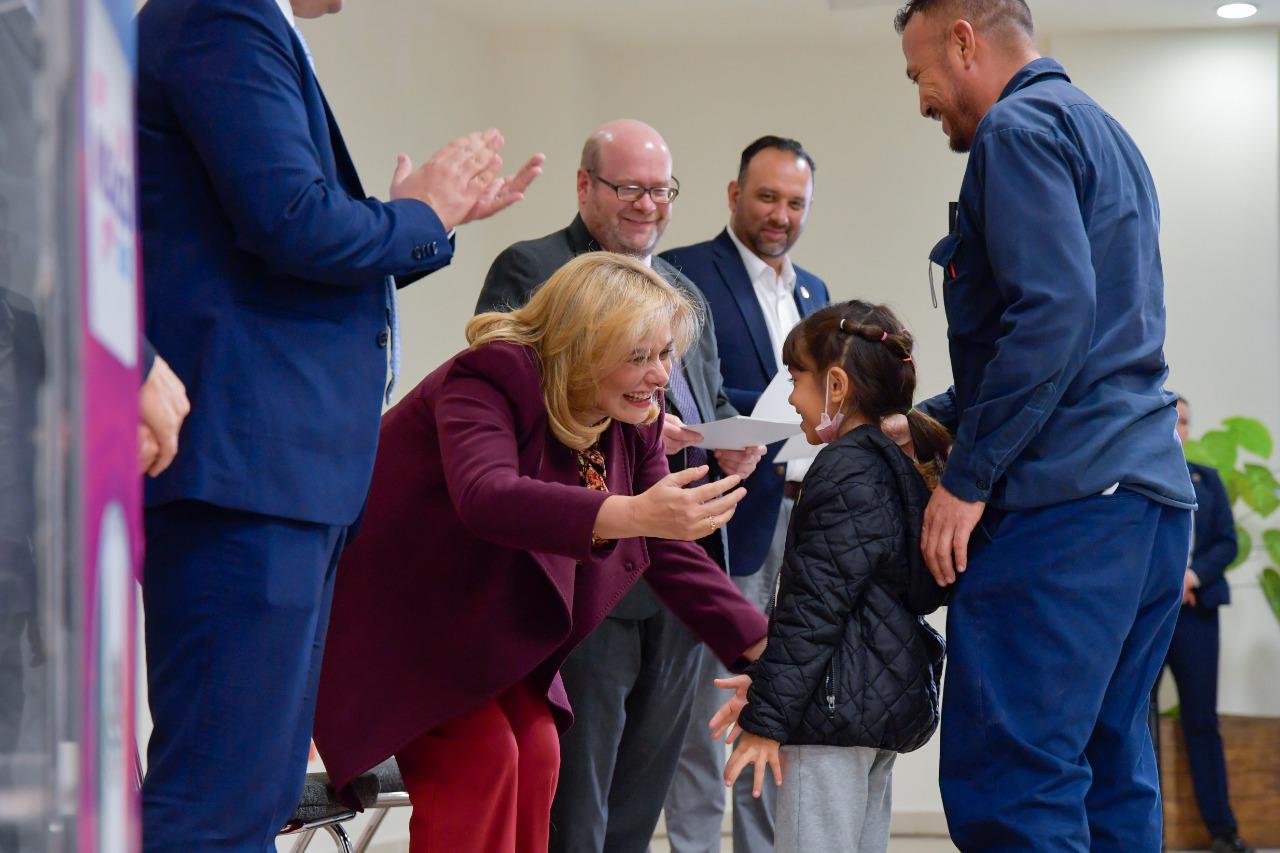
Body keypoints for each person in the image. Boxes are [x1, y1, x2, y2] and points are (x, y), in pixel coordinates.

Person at [135, 0, 544, 848]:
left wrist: (421, 221)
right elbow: (292, 223)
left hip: (279, 476)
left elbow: (287, 247)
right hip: (247, 471)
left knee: (257, 790)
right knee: (221, 794)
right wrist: (422, 216)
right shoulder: (222, 14)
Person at [312, 252, 770, 853]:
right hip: (396, 622)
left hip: (477, 625)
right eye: (640, 356)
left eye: (666, 354)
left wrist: (763, 649)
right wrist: (633, 512)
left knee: (540, 748)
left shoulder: (634, 415)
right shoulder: (490, 376)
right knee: (485, 758)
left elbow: (667, 547)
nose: (661, 376)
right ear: (584, 346)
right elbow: (487, 495)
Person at [894, 0, 1196, 848]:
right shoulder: (1104, 132)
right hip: (1145, 503)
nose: (921, 100)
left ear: (963, 42)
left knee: (1015, 779)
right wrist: (930, 420)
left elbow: (1054, 317)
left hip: (1064, 511)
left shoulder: (1014, 130)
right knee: (1109, 768)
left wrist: (965, 479)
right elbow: (1092, 338)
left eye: (919, 74)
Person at [476, 118, 765, 852]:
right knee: (578, 794)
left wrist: (727, 443)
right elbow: (523, 417)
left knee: (643, 791)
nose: (648, 204)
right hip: (587, 572)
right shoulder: (537, 268)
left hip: (676, 559)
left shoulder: (679, 288)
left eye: (661, 190)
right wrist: (634, 432)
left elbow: (704, 399)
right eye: (630, 187)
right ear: (585, 186)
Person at [713, 301, 950, 853]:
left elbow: (812, 611)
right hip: (873, 709)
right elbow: (855, 605)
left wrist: (767, 718)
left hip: (830, 717)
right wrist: (768, 681)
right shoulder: (892, 463)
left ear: (836, 386)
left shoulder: (843, 468)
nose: (791, 398)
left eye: (795, 378)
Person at [660, 135, 828, 852]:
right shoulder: (683, 273)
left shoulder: (815, 291)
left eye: (795, 202)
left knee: (776, 694)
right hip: (725, 514)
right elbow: (680, 386)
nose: (780, 215)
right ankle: (695, 844)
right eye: (766, 197)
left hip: (803, 516)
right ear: (734, 195)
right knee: (709, 701)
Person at [1160, 396, 1253, 853]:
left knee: (1202, 721)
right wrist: (1164, 581)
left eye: (1185, 421)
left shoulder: (1208, 480)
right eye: (1172, 420)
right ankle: (1142, 834)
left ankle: (1222, 832)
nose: (1179, 428)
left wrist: (1191, 577)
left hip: (1196, 616)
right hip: (1148, 615)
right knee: (1134, 721)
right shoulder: (1137, 481)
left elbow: (1226, 543)